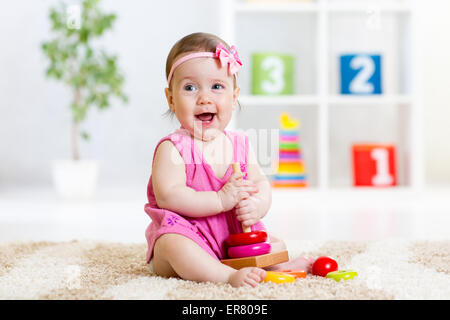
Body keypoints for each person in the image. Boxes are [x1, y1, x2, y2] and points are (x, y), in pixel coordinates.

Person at [144, 32, 314, 287]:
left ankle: (276, 265)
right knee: (172, 244)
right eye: (190, 88)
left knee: (273, 241)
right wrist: (221, 200)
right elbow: (170, 196)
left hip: (231, 242)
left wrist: (257, 205)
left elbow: (260, 183)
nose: (204, 97)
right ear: (171, 99)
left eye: (217, 86)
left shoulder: (240, 144)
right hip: (190, 238)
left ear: (233, 97)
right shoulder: (173, 148)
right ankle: (225, 275)